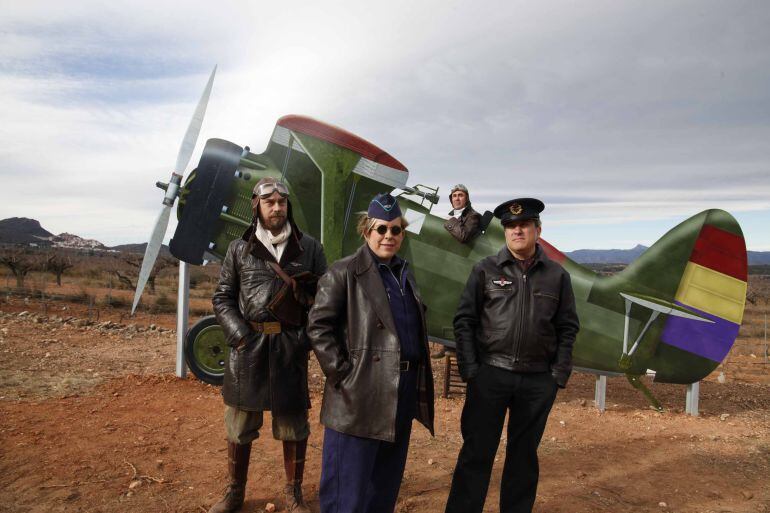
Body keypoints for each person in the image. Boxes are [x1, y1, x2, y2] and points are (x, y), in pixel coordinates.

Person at [444, 198, 579, 513]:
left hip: (537, 381)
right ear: (505, 232)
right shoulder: (485, 269)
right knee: (476, 454)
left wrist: (557, 375)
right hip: (490, 375)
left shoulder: (557, 277)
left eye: (524, 225)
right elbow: (465, 320)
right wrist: (470, 370)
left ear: (537, 230)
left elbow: (568, 327)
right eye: (511, 226)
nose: (517, 230)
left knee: (523, 458)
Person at [307, 193, 435, 513]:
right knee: (346, 491)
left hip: (400, 392)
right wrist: (344, 374)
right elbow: (318, 327)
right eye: (381, 229)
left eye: (395, 230)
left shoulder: (404, 274)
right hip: (359, 394)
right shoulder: (343, 272)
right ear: (367, 232)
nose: (388, 236)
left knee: (384, 487)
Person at [209, 177, 327, 513]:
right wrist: (240, 336)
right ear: (257, 206)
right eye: (269, 202)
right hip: (248, 351)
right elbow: (223, 298)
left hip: (290, 350)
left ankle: (294, 495)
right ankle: (234, 492)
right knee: (239, 426)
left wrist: (304, 340)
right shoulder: (238, 249)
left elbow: (325, 302)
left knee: (293, 427)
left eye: (281, 202)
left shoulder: (311, 249)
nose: (276, 208)